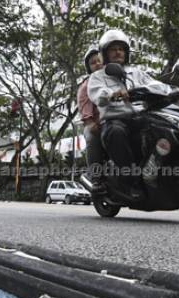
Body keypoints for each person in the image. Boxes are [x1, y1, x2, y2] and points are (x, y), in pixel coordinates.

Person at [88, 29, 179, 201]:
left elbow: (156, 84)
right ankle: (131, 182)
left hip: (140, 118)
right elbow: (98, 95)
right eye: (113, 49)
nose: (118, 52)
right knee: (115, 132)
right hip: (115, 120)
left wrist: (175, 90)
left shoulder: (137, 73)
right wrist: (114, 94)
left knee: (165, 126)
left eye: (121, 49)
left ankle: (162, 172)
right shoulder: (98, 76)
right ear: (105, 53)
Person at [77, 46, 105, 193]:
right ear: (89, 67)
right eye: (93, 62)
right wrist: (90, 122)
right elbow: (85, 109)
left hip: (118, 118)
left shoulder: (116, 78)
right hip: (97, 124)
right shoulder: (86, 86)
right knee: (92, 136)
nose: (98, 64)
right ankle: (96, 177)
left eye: (99, 60)